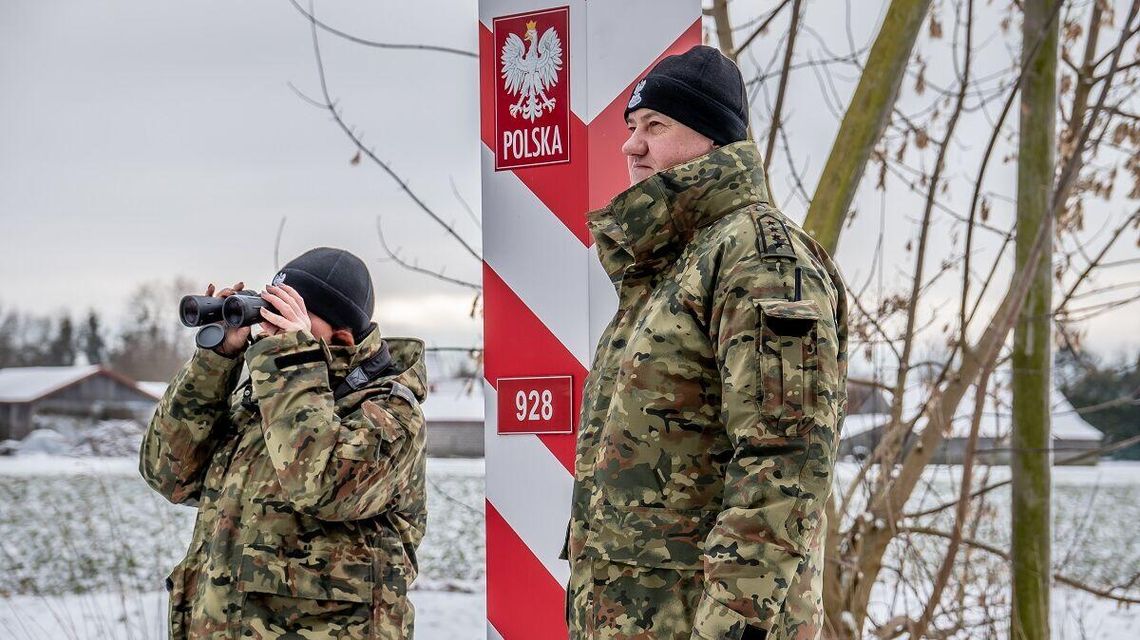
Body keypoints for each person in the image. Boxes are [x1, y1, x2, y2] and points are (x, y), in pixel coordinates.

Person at [563, 46, 848, 640]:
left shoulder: (760, 260)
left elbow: (784, 462)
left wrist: (730, 629)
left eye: (655, 126)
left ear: (712, 139)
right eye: (631, 127)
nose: (631, 145)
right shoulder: (673, 265)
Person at [140, 247, 428, 640]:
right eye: (269, 310)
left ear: (342, 338)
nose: (269, 328)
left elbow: (321, 487)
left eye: (287, 315)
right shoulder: (270, 399)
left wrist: (292, 359)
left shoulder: (392, 413)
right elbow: (168, 475)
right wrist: (216, 361)